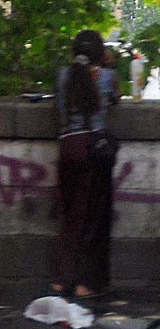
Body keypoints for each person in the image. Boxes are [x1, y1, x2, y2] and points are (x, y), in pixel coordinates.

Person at [52, 30, 118, 299]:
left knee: (70, 217)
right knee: (94, 218)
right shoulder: (107, 77)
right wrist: (106, 64)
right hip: (93, 149)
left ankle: (62, 280)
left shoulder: (62, 76)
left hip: (68, 147)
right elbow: (113, 100)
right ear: (101, 54)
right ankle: (86, 282)